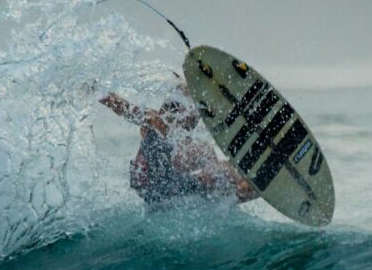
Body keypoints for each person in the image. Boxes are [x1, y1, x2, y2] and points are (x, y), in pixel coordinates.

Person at [99, 85, 259, 207]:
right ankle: (252, 185)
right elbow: (123, 107)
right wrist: (99, 91)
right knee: (223, 169)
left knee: (211, 160)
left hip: (154, 190)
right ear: (178, 108)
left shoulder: (180, 137)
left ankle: (238, 191)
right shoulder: (156, 121)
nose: (196, 115)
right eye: (193, 109)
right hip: (161, 187)